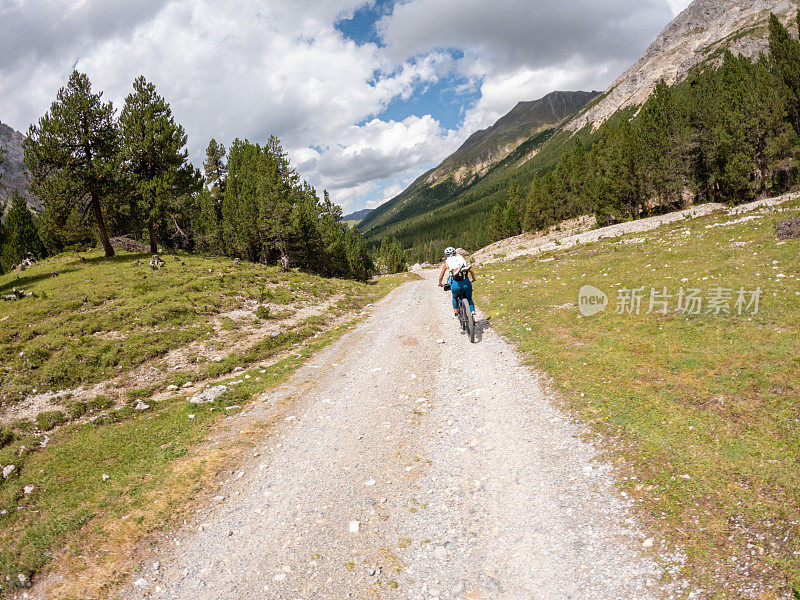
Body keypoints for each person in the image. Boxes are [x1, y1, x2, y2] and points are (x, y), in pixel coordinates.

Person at [438, 246, 476, 318]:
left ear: (446, 255)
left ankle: (456, 313)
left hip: (456, 284)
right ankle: (473, 313)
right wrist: (473, 278)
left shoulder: (447, 263)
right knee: (469, 299)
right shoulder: (460, 259)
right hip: (466, 282)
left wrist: (440, 283)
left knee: (455, 298)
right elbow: (471, 271)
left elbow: (441, 277)